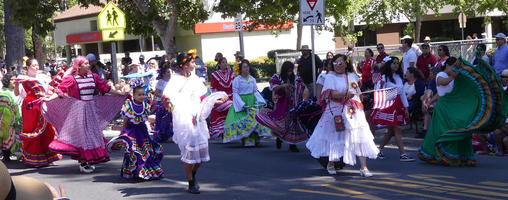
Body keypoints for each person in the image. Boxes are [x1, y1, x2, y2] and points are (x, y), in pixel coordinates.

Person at [42, 56, 126, 173]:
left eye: (88, 63)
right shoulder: (72, 79)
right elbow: (61, 90)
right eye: (85, 63)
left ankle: (88, 159)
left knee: (91, 133)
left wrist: (120, 93)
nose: (88, 65)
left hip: (91, 109)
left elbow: (105, 88)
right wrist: (49, 99)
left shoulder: (94, 77)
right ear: (79, 66)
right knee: (81, 135)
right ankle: (83, 161)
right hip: (78, 110)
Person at [418, 56, 506, 166]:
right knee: (442, 131)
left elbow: (439, 93)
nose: (456, 69)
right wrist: (453, 77)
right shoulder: (441, 75)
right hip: (444, 108)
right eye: (454, 67)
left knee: (460, 128)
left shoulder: (455, 77)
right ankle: (438, 154)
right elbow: (442, 84)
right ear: (448, 66)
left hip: (452, 106)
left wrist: (430, 102)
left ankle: (460, 156)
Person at [162, 49, 228, 194]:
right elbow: (167, 97)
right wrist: (168, 103)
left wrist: (216, 101)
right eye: (192, 62)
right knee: (189, 150)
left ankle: (193, 174)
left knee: (202, 152)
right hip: (184, 118)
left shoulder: (195, 79)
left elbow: (204, 96)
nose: (194, 64)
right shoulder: (175, 80)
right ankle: (191, 181)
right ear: (184, 65)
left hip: (198, 117)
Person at [306, 54, 378, 176]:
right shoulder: (329, 77)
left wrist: (357, 96)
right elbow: (328, 94)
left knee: (359, 135)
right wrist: (344, 94)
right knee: (336, 136)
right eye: (335, 63)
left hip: (353, 110)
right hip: (336, 111)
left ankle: (364, 167)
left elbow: (357, 93)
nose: (338, 65)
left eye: (341, 63)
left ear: (346, 63)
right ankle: (331, 162)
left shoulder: (352, 76)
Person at [107, 79, 164, 180]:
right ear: (134, 95)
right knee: (133, 152)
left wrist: (159, 120)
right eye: (139, 94)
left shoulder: (146, 106)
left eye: (143, 94)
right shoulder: (128, 106)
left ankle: (144, 172)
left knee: (145, 151)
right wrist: (122, 133)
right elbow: (125, 121)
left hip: (142, 132)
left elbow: (146, 118)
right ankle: (133, 171)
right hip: (131, 132)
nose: (142, 96)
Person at [14, 58, 62, 167]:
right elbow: (17, 94)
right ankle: (33, 158)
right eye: (34, 65)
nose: (36, 67)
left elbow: (48, 90)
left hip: (43, 106)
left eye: (37, 65)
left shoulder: (42, 77)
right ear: (28, 67)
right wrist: (16, 84)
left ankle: (47, 156)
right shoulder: (23, 78)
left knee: (47, 130)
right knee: (32, 130)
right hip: (30, 109)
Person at [256, 61, 309, 152]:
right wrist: (283, 86)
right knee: (282, 123)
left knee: (292, 123)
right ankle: (279, 138)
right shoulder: (277, 77)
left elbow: (301, 85)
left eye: (291, 71)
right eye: (288, 71)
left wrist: (302, 86)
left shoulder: (295, 78)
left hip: (293, 104)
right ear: (284, 70)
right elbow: (273, 88)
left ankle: (292, 145)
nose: (290, 72)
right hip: (282, 104)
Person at [371, 56, 414, 162]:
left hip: (398, 104)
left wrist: (406, 107)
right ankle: (403, 154)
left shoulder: (399, 77)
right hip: (389, 104)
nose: (396, 65)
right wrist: (380, 86)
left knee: (391, 130)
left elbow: (402, 92)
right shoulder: (384, 77)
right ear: (389, 64)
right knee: (397, 128)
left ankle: (379, 149)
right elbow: (377, 91)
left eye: (397, 63)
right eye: (393, 63)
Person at [223, 60, 271, 147]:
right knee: (245, 122)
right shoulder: (237, 80)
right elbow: (235, 93)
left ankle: (257, 139)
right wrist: (241, 104)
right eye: (244, 67)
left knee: (257, 119)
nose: (246, 69)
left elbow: (255, 91)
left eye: (247, 67)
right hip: (242, 102)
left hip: (252, 101)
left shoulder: (252, 79)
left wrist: (261, 101)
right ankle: (245, 140)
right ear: (241, 69)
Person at [209, 57, 234, 139]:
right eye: (223, 62)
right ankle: (222, 130)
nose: (225, 64)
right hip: (221, 99)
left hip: (231, 98)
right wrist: (218, 99)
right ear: (219, 64)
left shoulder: (231, 74)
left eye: (226, 62)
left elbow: (234, 87)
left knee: (234, 106)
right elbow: (213, 89)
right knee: (230, 106)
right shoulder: (215, 75)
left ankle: (230, 130)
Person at [0, 73, 22, 161]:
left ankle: (15, 153)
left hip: (17, 117)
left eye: (15, 80)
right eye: (12, 80)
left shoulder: (17, 90)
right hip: (6, 119)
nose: (14, 81)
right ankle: (6, 155)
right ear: (7, 81)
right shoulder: (3, 91)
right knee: (6, 137)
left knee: (14, 136)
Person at [152, 63, 173, 143]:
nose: (170, 74)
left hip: (171, 103)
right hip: (162, 103)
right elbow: (157, 93)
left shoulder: (173, 82)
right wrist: (164, 96)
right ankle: (161, 136)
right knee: (162, 119)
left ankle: (170, 135)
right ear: (163, 74)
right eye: (168, 72)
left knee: (170, 119)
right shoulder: (161, 82)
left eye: (170, 72)